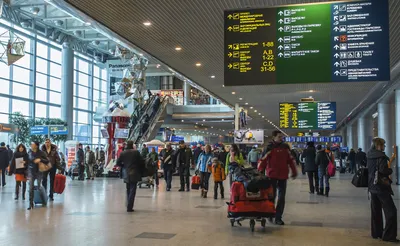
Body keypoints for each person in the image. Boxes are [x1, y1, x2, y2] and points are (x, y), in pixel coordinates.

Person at [258, 130, 297, 225]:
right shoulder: (269, 148)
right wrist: (260, 171)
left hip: (283, 176)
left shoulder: (285, 147)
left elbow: (290, 160)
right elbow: (263, 160)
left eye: (281, 137)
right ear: (274, 137)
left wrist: (294, 171)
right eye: (279, 136)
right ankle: (270, 214)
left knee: (281, 197)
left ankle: (278, 217)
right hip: (272, 176)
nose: (281, 138)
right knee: (272, 196)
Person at [367, 137, 398, 242]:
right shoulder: (382, 156)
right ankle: (389, 236)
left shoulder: (369, 155)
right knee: (391, 211)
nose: (384, 147)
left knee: (376, 211)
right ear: (378, 145)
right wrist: (390, 170)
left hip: (372, 186)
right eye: (383, 145)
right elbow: (383, 170)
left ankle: (376, 233)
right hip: (381, 187)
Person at [116, 140, 145, 212]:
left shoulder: (123, 153)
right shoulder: (136, 152)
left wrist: (124, 166)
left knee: (128, 189)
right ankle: (130, 206)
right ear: (132, 145)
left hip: (126, 173)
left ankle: (128, 204)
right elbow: (141, 162)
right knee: (133, 190)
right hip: (134, 173)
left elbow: (118, 163)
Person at [27, 141, 49, 210]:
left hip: (39, 172)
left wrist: (40, 159)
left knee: (39, 187)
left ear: (36, 145)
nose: (31, 145)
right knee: (31, 188)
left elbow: (47, 161)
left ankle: (44, 201)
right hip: (31, 172)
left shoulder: (41, 153)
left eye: (32, 144)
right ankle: (30, 204)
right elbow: (28, 160)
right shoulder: (29, 152)